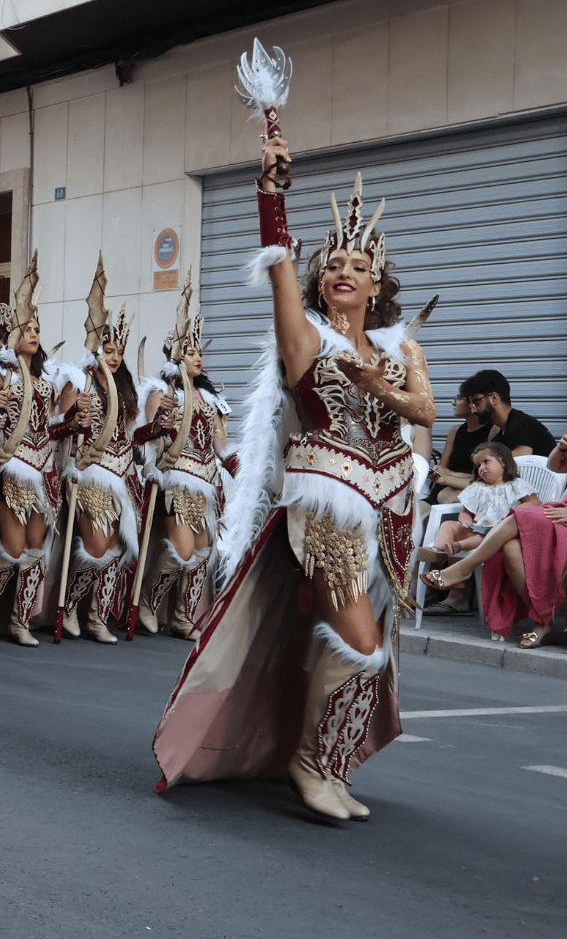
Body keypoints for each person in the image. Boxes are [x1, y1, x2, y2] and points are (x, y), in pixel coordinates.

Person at [154, 135, 436, 822]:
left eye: (358, 265)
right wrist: (270, 194)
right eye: (332, 263)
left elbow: (426, 411)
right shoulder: (305, 339)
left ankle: (330, 764)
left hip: (390, 508)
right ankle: (308, 765)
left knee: (375, 651)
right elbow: (278, 262)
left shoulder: (400, 349)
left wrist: (380, 385)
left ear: (376, 284)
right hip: (327, 503)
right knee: (358, 645)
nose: (343, 271)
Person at [423, 404, 567, 647]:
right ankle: (543, 620)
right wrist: (561, 447)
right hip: (560, 520)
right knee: (509, 547)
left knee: (521, 514)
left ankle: (464, 567)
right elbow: (556, 466)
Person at [0, 253, 89, 646]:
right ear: (12, 334)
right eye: (27, 328)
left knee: (36, 549)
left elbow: (49, 429)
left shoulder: (45, 382)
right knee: (13, 545)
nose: (34, 334)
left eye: (37, 328)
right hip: (10, 468)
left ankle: (20, 620)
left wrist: (72, 423)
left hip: (43, 471)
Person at [133, 274, 231, 639]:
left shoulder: (212, 399)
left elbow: (220, 446)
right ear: (176, 356)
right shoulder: (162, 393)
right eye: (191, 352)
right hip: (176, 478)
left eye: (200, 352)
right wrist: (161, 421)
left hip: (207, 482)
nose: (198, 358)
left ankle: (183, 617)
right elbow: (143, 437)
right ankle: (148, 601)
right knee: (182, 550)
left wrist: (246, 471)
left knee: (202, 553)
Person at [54, 263, 142, 643]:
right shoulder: (79, 381)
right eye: (108, 350)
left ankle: (97, 616)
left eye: (119, 351)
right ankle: (70, 605)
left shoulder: (125, 388)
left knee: (117, 546)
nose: (115, 357)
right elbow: (57, 426)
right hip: (89, 470)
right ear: (96, 349)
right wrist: (76, 416)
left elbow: (132, 434)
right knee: (96, 545)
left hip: (123, 474)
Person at [421, 441, 538, 614]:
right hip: (477, 527)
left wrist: (516, 512)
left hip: (499, 532)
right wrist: (464, 522)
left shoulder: (516, 484)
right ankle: (438, 552)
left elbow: (535, 504)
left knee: (485, 536)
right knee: (449, 525)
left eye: (486, 462)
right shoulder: (477, 487)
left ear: (502, 461)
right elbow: (466, 512)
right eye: (478, 466)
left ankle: (455, 548)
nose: (481, 468)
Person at [460, 369, 555, 458]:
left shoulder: (522, 424)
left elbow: (523, 459)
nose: (473, 410)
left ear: (494, 398)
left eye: (476, 402)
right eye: (471, 404)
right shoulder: (499, 432)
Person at [427, 391, 497, 504]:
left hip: (465, 489)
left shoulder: (492, 431)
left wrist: (449, 476)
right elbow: (442, 468)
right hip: (445, 486)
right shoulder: (455, 431)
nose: (453, 402)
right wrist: (438, 472)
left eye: (458, 398)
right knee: (415, 510)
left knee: (446, 499)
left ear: (473, 403)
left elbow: (484, 478)